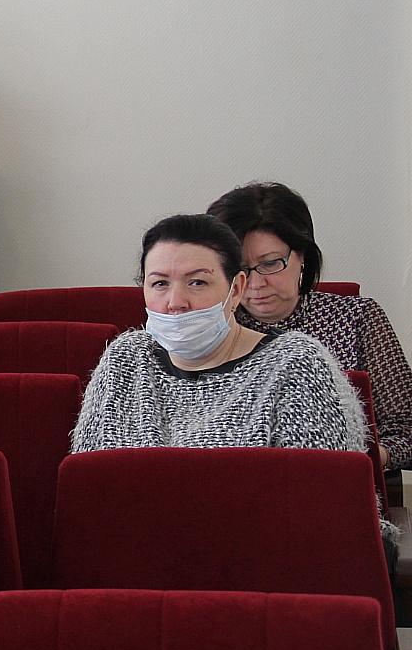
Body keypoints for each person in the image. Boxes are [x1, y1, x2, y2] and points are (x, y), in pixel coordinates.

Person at [71, 213, 366, 455]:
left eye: (197, 282)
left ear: (235, 289)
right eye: (160, 284)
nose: (175, 302)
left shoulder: (298, 364)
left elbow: (326, 494)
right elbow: (88, 484)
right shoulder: (125, 359)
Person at [207, 181, 412, 470]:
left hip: (331, 477)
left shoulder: (356, 318)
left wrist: (369, 457)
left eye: (270, 263)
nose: (255, 283)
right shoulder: (209, 327)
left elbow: (406, 430)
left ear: (302, 255)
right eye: (239, 269)